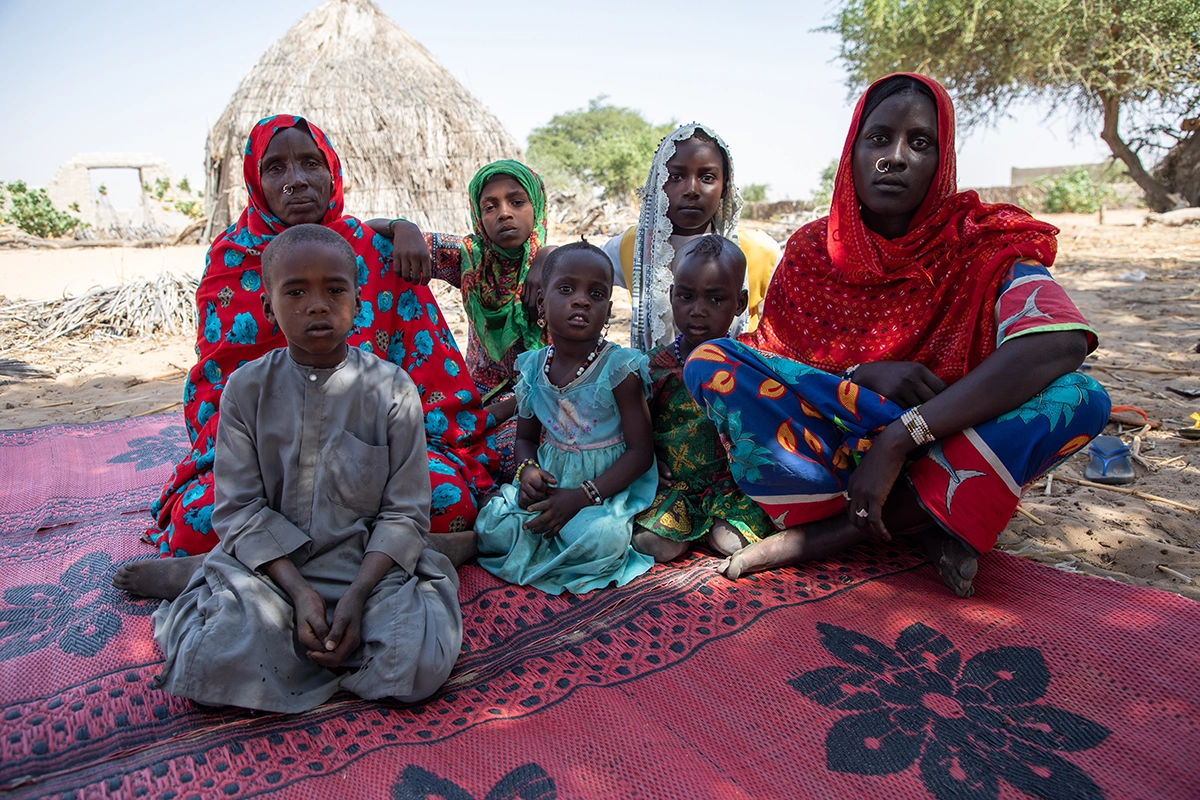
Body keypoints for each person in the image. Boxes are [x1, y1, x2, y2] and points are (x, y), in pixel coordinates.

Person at [682, 74, 1110, 598]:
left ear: (942, 159)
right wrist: (858, 376)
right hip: (829, 454)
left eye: (920, 143)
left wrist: (902, 435)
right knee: (710, 361)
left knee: (1082, 397)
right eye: (879, 139)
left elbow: (1059, 341)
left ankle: (836, 534)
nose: (896, 157)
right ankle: (925, 516)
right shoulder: (814, 249)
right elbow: (774, 359)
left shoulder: (981, 243)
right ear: (853, 152)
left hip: (943, 442)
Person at [128, 116, 493, 590]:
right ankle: (390, 555)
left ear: (332, 172)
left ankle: (241, 567)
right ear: (256, 183)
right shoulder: (232, 261)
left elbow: (431, 380)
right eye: (276, 167)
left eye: (309, 163)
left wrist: (401, 226)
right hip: (270, 457)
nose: (296, 179)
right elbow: (216, 395)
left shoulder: (379, 253)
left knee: (450, 503)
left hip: (370, 451)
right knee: (196, 524)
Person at [150, 224, 461, 713]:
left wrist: (358, 595)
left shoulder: (392, 388)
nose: (317, 305)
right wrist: (297, 592)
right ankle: (203, 577)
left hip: (364, 567)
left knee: (418, 667)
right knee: (210, 661)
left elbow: (404, 511)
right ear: (269, 308)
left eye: (335, 290)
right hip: (270, 572)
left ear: (357, 301)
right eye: (295, 292)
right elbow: (239, 510)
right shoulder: (245, 390)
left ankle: (405, 581)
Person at [472, 241, 658, 594]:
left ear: (608, 310)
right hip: (554, 479)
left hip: (604, 487)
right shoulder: (533, 367)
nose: (582, 300)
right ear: (541, 300)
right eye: (567, 289)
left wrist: (581, 497)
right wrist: (528, 471)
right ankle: (531, 537)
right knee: (495, 524)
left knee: (602, 539)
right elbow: (526, 439)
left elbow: (640, 453)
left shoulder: (619, 369)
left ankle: (557, 545)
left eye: (597, 293)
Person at [368, 161, 555, 482]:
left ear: (536, 207)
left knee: (525, 455)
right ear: (478, 216)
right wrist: (404, 227)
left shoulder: (562, 268)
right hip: (481, 391)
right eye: (490, 206)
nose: (504, 213)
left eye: (517, 202)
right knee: (421, 447)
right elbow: (370, 232)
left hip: (549, 393)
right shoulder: (472, 258)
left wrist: (546, 255)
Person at [631, 235, 773, 562]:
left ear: (739, 303)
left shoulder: (750, 366)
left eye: (715, 299)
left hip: (732, 488)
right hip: (673, 487)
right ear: (671, 296)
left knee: (731, 543)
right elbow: (629, 430)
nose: (698, 311)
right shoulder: (651, 368)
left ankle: (714, 528)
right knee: (657, 545)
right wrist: (648, 462)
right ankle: (685, 530)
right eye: (686, 296)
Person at [603, 123, 781, 351]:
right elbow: (573, 273)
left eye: (707, 177)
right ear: (659, 183)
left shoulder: (757, 250)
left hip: (733, 381)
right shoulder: (633, 246)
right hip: (653, 383)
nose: (691, 189)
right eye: (676, 176)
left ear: (725, 186)